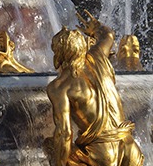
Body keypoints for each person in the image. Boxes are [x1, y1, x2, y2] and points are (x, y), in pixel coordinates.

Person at [46, 10, 144, 166]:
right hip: (129, 146)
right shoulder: (97, 58)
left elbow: (64, 133)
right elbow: (108, 35)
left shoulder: (59, 87)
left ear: (58, 53)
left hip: (103, 154)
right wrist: (95, 27)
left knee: (52, 147)